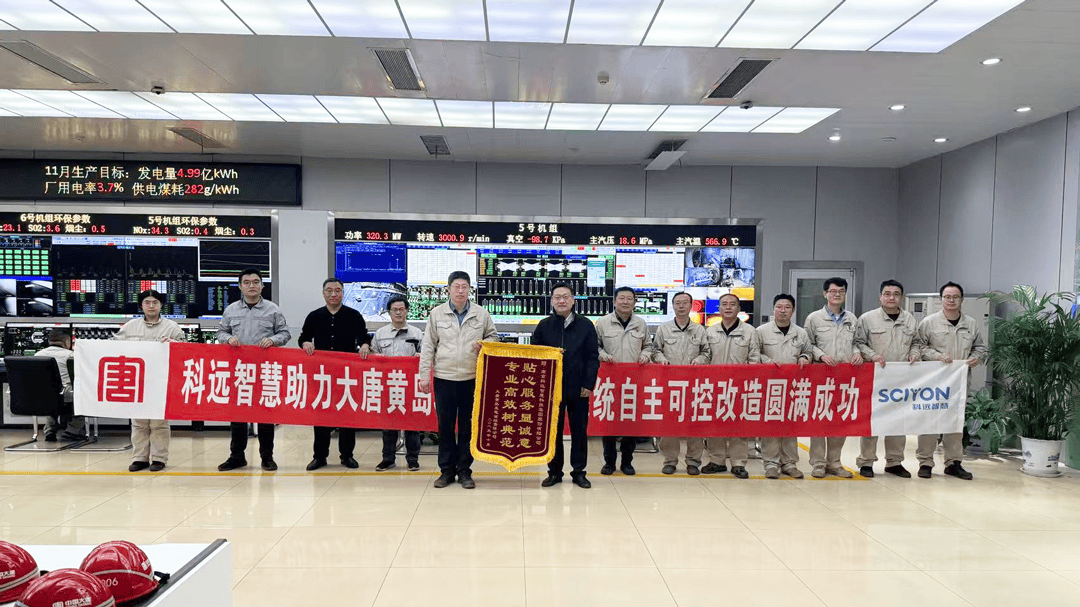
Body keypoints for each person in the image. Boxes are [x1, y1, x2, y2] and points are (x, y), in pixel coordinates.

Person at [418, 271, 498, 489]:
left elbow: (493, 336)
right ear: (449, 289)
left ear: (469, 289)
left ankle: (464, 471)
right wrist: (424, 376)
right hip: (444, 378)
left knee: (467, 427)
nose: (460, 291)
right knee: (444, 427)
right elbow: (428, 346)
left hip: (471, 378)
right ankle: (446, 471)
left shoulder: (481, 314)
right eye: (456, 287)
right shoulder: (437, 314)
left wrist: (485, 343)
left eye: (464, 287)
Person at [216, 268, 291, 472]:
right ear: (240, 286)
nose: (252, 285)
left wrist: (273, 340)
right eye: (247, 282)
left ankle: (267, 457)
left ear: (262, 286)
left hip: (264, 371)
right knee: (238, 416)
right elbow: (221, 332)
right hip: (239, 371)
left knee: (265, 416)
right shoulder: (231, 310)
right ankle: (237, 457)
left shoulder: (273, 310)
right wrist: (228, 339)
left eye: (256, 282)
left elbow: (285, 333)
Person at [916, 281, 988, 480]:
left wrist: (976, 358)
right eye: (947, 297)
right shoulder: (929, 323)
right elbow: (919, 347)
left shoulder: (971, 324)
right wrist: (936, 356)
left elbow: (980, 348)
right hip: (933, 383)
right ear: (941, 300)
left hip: (958, 383)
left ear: (961, 300)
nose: (951, 301)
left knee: (955, 424)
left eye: (955, 297)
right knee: (929, 423)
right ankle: (925, 462)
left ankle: (953, 463)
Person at [532, 282, 600, 489]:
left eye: (565, 297)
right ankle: (554, 472)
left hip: (579, 387)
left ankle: (579, 472)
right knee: (553, 431)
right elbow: (534, 355)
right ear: (552, 301)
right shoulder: (544, 325)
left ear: (573, 300)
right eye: (557, 297)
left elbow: (592, 357)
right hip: (552, 388)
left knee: (579, 431)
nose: (561, 301)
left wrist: (588, 383)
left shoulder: (586, 325)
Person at [298, 278, 369, 471]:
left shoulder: (353, 315)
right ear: (323, 293)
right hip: (322, 376)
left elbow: (364, 337)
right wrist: (305, 343)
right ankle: (320, 457)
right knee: (321, 417)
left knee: (347, 416)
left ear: (342, 293)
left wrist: (365, 345)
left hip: (346, 375)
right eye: (329, 290)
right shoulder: (314, 316)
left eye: (337, 290)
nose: (333, 294)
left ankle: (347, 456)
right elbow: (303, 337)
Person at [854, 279, 920, 478]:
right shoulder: (867, 319)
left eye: (896, 294)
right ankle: (866, 461)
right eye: (887, 294)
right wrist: (872, 355)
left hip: (901, 379)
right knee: (871, 421)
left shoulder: (910, 320)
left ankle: (894, 462)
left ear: (902, 297)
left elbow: (917, 342)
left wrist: (914, 353)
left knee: (898, 421)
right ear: (880, 297)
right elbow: (858, 343)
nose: (892, 297)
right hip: (875, 378)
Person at [115, 289, 185, 472]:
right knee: (138, 422)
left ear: (161, 305)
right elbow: (114, 348)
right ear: (141, 305)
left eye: (155, 302)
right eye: (147, 302)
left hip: (161, 380)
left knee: (159, 422)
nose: (151, 306)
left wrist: (175, 345)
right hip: (136, 381)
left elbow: (185, 351)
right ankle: (139, 458)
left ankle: (159, 458)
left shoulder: (172, 327)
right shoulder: (130, 327)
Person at [804, 277, 862, 478]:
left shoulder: (852, 319)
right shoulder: (814, 318)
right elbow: (807, 344)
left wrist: (857, 353)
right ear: (825, 294)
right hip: (821, 375)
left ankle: (835, 462)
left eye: (841, 291)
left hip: (845, 377)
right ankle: (818, 463)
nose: (837, 294)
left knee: (840, 419)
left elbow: (857, 342)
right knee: (820, 418)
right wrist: (821, 355)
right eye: (833, 291)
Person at [701, 293, 760, 479]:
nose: (728, 307)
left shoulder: (750, 331)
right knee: (715, 424)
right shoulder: (710, 332)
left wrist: (748, 383)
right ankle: (717, 460)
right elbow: (705, 357)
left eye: (732, 304)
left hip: (740, 387)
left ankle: (738, 463)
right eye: (724, 304)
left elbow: (754, 359)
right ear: (719, 308)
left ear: (738, 309)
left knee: (739, 426)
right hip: (714, 387)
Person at [651, 291, 710, 475]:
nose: (681, 306)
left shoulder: (699, 330)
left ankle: (693, 461)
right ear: (673, 306)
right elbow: (655, 351)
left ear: (691, 306)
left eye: (685, 303)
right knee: (670, 424)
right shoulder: (664, 329)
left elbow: (706, 352)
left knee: (694, 424)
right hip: (671, 385)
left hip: (694, 385)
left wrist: (700, 360)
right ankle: (670, 460)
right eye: (678, 303)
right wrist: (661, 359)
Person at [595, 286, 651, 476]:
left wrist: (645, 354)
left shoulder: (641, 324)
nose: (625, 302)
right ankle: (609, 462)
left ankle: (627, 462)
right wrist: (602, 355)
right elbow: (595, 346)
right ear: (614, 301)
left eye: (629, 299)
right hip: (610, 382)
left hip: (633, 382)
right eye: (622, 298)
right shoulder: (603, 323)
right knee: (609, 423)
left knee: (630, 423)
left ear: (634, 302)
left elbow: (648, 346)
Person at [757, 294, 812, 479]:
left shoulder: (801, 333)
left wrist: (805, 357)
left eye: (787, 307)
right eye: (779, 307)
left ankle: (789, 463)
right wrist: (767, 361)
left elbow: (808, 351)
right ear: (773, 309)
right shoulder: (761, 331)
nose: (782, 311)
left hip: (792, 386)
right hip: (769, 386)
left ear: (793, 311)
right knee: (771, 425)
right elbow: (754, 353)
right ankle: (771, 464)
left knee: (790, 425)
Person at [369, 295, 424, 472]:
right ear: (389, 312)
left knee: (412, 424)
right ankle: (388, 459)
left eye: (401, 309)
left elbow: (426, 355)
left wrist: (421, 356)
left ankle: (413, 459)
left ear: (407, 311)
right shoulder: (380, 334)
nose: (398, 313)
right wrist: (375, 357)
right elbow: (372, 356)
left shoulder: (417, 333)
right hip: (388, 385)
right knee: (388, 424)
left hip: (410, 386)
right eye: (395, 310)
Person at [33, 328, 83, 442]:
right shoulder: (71, 356)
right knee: (84, 395)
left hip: (41, 396)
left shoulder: (37, 355)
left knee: (50, 396)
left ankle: (50, 430)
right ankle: (72, 430)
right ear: (67, 341)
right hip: (65, 395)